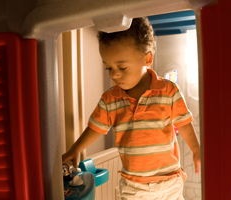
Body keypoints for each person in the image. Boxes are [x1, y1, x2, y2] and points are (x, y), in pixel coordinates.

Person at [62, 17, 201, 200]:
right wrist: (75, 147)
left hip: (169, 182)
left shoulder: (168, 91)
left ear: (147, 58)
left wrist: (197, 150)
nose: (114, 74)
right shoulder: (110, 100)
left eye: (122, 67)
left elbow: (184, 124)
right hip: (133, 187)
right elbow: (96, 128)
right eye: (108, 68)